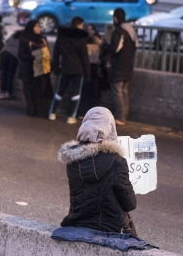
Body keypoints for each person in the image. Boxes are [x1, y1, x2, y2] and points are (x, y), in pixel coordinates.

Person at [57, 107, 137, 235]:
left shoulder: (72, 160)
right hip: (112, 228)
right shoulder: (117, 161)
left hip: (77, 223)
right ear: (110, 129)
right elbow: (130, 204)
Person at [48, 16, 90, 124]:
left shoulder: (61, 37)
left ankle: (52, 112)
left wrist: (56, 68)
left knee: (59, 91)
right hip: (78, 70)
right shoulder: (81, 39)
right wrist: (87, 73)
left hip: (65, 68)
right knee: (76, 94)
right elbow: (84, 58)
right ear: (80, 25)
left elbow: (56, 54)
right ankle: (71, 116)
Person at [103, 7, 137, 126]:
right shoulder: (131, 29)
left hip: (119, 67)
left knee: (117, 92)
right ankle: (124, 116)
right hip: (129, 66)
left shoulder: (118, 31)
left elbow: (115, 49)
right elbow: (135, 46)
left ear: (116, 18)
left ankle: (120, 117)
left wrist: (104, 45)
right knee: (124, 91)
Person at [18, 20, 53, 117]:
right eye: (36, 27)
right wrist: (33, 56)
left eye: (39, 26)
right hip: (29, 70)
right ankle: (32, 111)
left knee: (40, 91)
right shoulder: (25, 40)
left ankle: (40, 111)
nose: (38, 28)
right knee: (29, 92)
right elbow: (20, 54)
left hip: (41, 70)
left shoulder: (42, 40)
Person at [78, 24, 104, 116]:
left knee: (95, 93)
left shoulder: (98, 40)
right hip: (86, 70)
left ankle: (94, 113)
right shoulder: (84, 40)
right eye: (88, 29)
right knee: (85, 92)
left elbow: (106, 53)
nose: (90, 31)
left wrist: (100, 44)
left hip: (96, 71)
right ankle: (82, 112)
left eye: (91, 29)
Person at [0, 29, 21, 99]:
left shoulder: (12, 37)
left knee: (4, 74)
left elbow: (6, 42)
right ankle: (7, 92)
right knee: (10, 75)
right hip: (13, 56)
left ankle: (2, 92)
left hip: (4, 53)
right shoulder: (22, 39)